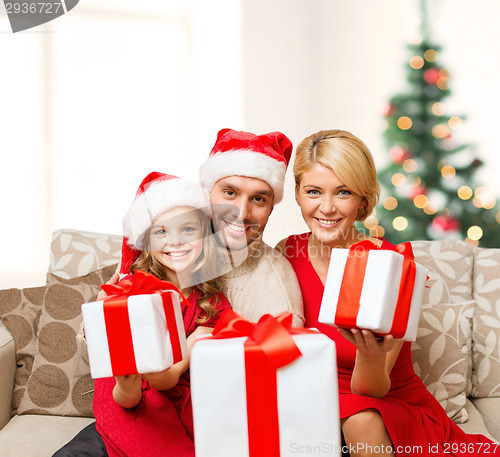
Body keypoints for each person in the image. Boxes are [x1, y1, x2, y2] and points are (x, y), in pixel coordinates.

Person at [53, 129, 305, 457]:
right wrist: (103, 332)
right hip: (125, 407)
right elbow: (103, 358)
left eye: (259, 198)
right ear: (205, 195)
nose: (240, 213)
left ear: (271, 206)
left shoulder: (260, 281)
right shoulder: (157, 255)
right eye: (229, 192)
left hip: (206, 418)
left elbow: (282, 372)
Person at [276, 129, 499, 457]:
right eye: (313, 191)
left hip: (383, 401)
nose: (326, 207)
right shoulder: (286, 252)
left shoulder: (389, 264)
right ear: (296, 193)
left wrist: (368, 353)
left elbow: (373, 387)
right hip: (318, 398)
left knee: (360, 420)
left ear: (362, 200)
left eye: (343, 192)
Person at [90, 172, 231, 457]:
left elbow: (170, 377)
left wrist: (158, 372)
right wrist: (126, 386)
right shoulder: (127, 293)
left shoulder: (213, 306)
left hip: (173, 397)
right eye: (162, 232)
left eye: (188, 230)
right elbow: (121, 397)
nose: (175, 241)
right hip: (123, 399)